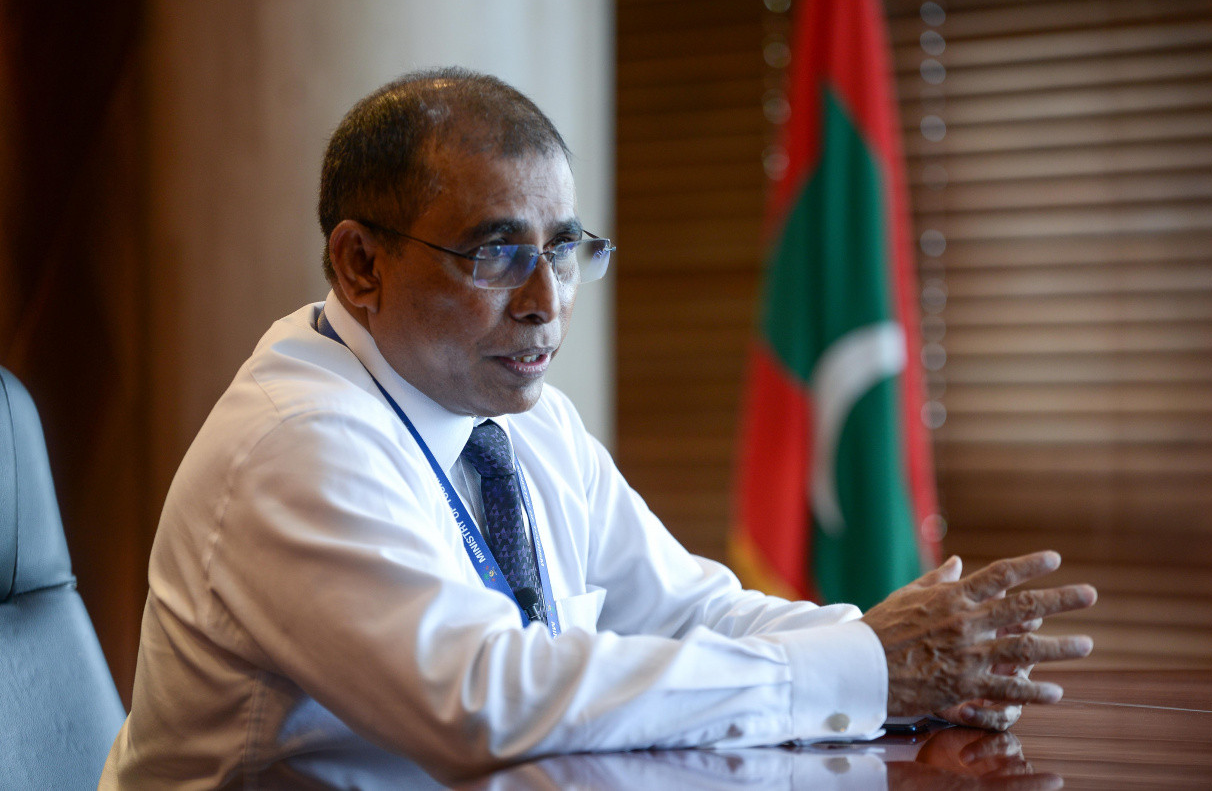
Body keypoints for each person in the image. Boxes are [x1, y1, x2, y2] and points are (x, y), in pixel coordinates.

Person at [100, 68, 1096, 788]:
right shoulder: (296, 443)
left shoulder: (519, 414)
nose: (546, 301)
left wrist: (890, 661)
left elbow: (684, 607)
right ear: (361, 265)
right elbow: (486, 701)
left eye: (565, 248)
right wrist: (867, 669)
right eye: (496, 254)